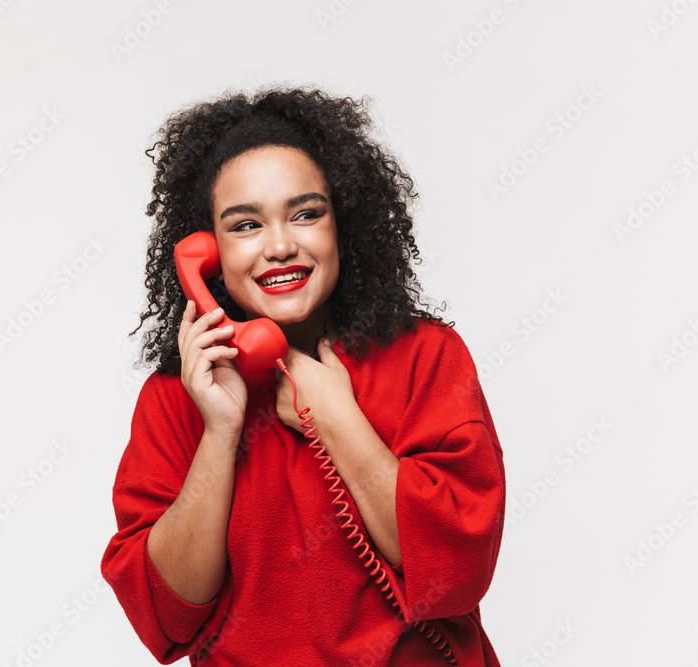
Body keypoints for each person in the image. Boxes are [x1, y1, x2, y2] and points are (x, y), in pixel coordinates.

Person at [101, 85, 506, 666]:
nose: (281, 245)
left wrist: (337, 418)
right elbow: (165, 616)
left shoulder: (427, 356)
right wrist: (219, 432)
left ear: (344, 224)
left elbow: (458, 571)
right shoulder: (173, 400)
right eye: (245, 226)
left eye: (306, 213)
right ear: (204, 251)